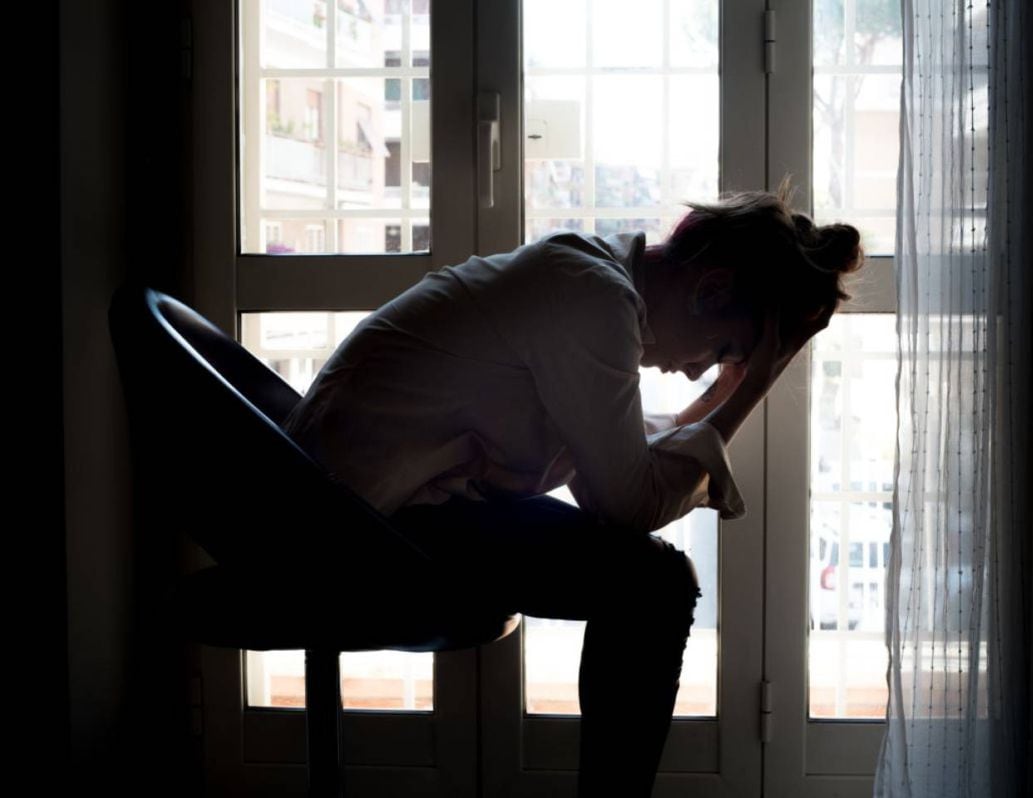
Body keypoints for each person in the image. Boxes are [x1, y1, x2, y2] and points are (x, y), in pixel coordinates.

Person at [281, 180, 864, 797]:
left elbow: (625, 463)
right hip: (347, 530)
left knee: (652, 579)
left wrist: (742, 382)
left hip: (387, 509)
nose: (698, 369)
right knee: (655, 585)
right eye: (720, 349)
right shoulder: (593, 300)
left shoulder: (594, 281)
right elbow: (629, 500)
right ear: (711, 288)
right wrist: (749, 386)